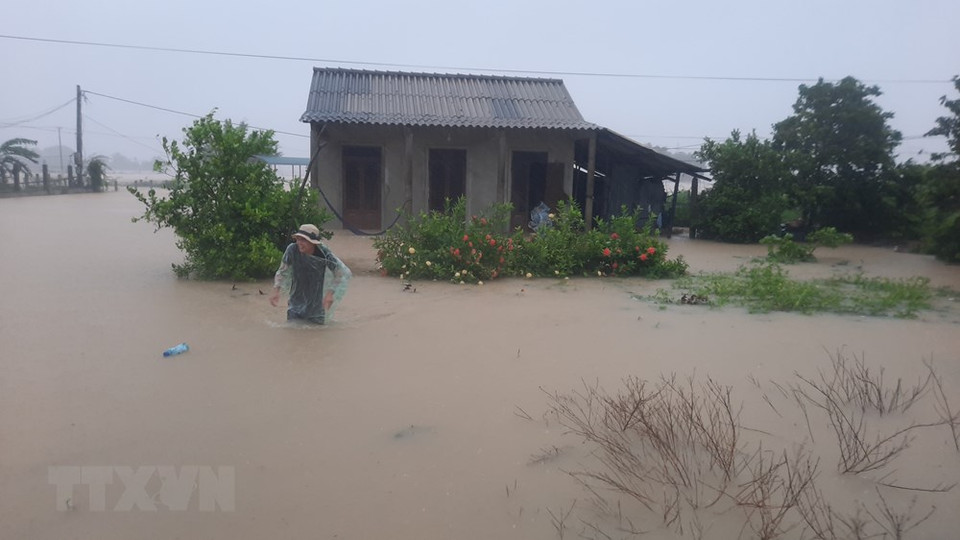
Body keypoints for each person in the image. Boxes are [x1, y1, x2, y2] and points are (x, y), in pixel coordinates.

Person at [269, 224, 351, 324]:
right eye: (298, 239)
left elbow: (339, 273)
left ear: (313, 243)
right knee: (292, 332)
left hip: (317, 305)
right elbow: (282, 271)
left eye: (303, 240)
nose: (299, 243)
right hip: (296, 301)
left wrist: (330, 294)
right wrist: (276, 290)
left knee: (316, 334)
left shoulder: (324, 254)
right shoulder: (292, 250)